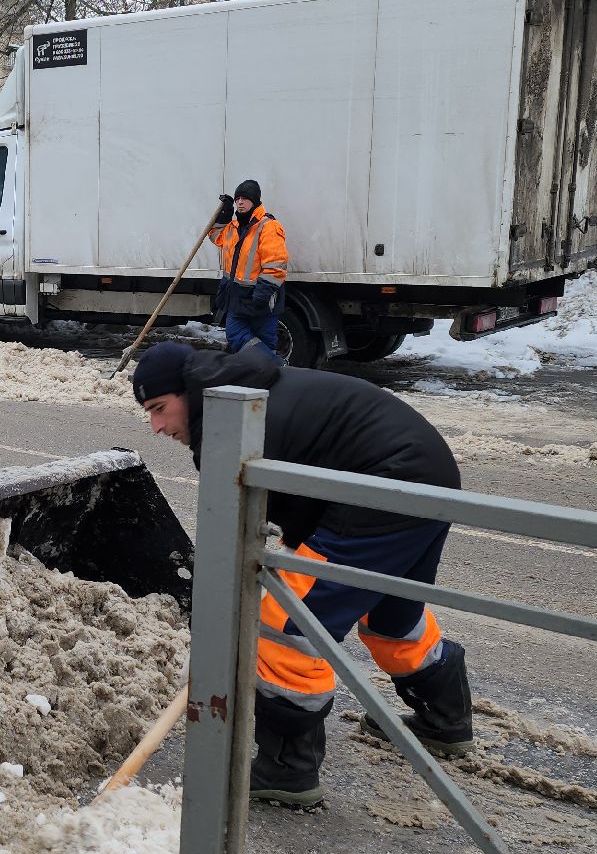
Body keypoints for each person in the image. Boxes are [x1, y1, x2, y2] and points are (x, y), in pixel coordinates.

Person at [131, 340, 474, 807]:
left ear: (187, 393)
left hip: (379, 491)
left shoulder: (230, 421)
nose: (155, 426)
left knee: (286, 626)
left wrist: (216, 633)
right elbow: (298, 501)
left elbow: (231, 541)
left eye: (159, 408)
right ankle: (444, 720)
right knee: (389, 607)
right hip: (424, 477)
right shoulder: (246, 390)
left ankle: (288, 771)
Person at [210, 180, 288, 356]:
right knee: (235, 334)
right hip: (237, 297)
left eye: (245, 198)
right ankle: (273, 369)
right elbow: (215, 236)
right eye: (237, 199)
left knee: (265, 340)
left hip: (260, 299)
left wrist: (261, 295)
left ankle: (271, 374)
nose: (240, 202)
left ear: (255, 201)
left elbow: (275, 265)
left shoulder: (268, 226)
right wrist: (225, 215)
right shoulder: (233, 227)